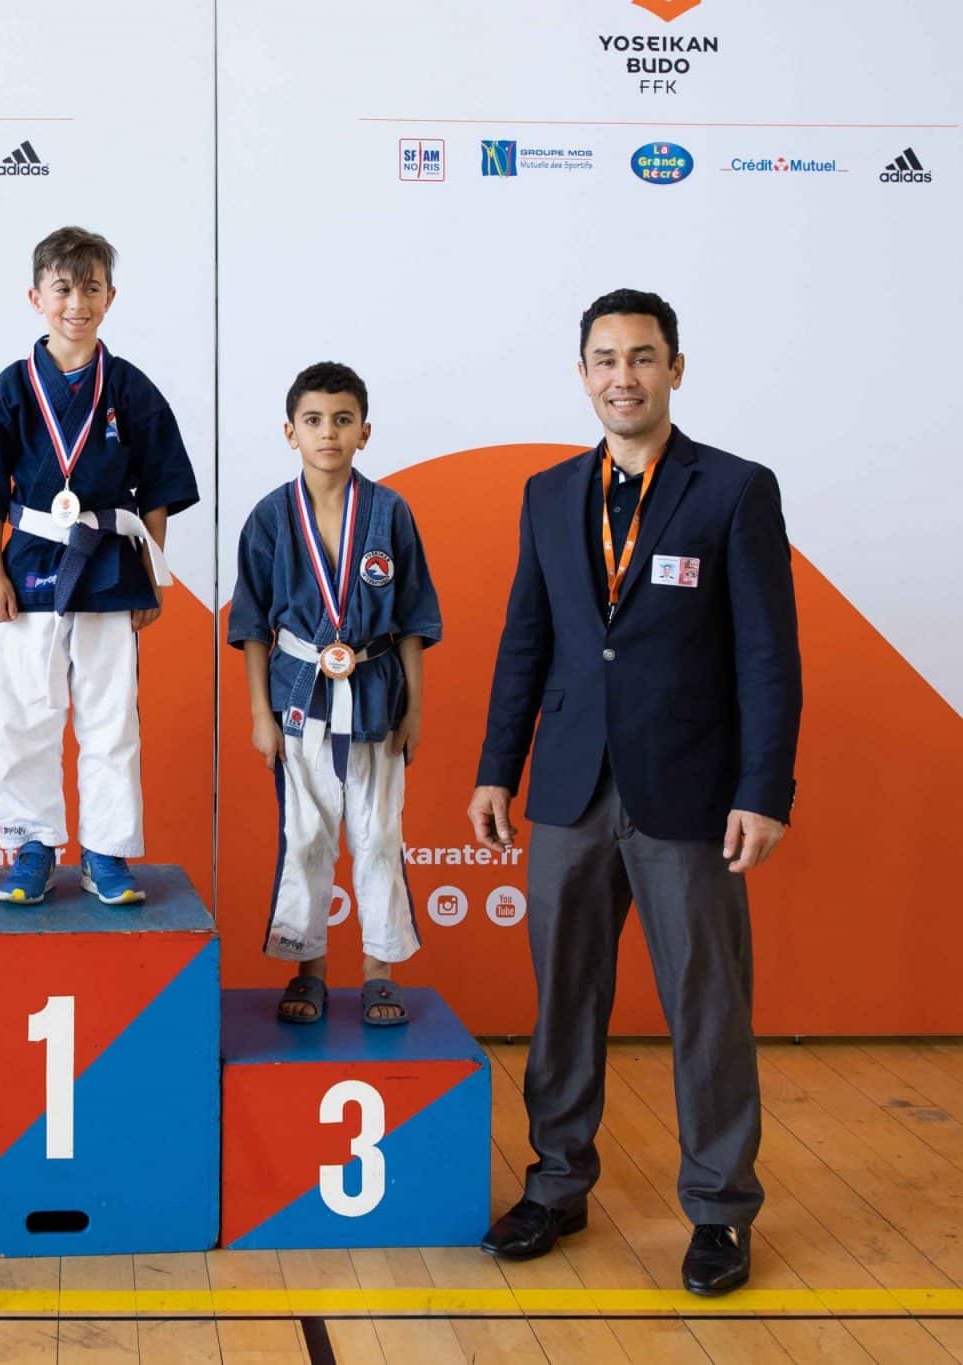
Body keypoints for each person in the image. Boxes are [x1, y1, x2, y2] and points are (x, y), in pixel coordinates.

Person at [469, 289, 801, 1296]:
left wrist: (763, 789)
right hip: (570, 788)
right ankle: (556, 1184)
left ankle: (720, 1209)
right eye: (606, 359)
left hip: (690, 793)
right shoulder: (545, 493)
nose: (624, 376)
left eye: (643, 357)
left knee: (706, 1003)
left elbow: (767, 654)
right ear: (582, 375)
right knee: (564, 997)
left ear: (674, 369)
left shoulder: (734, 489)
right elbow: (525, 638)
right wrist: (497, 766)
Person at [0, 225, 200, 906]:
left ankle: (106, 851)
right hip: (28, 565)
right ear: (36, 297)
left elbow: (160, 490)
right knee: (24, 713)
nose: (76, 303)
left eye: (91, 288)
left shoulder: (131, 388)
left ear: (110, 297)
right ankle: (32, 846)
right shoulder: (12, 388)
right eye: (62, 289)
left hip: (111, 567)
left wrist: (153, 574)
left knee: (111, 718)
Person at [227, 363, 439, 1025]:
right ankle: (308, 967)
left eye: (343, 420)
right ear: (290, 432)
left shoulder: (390, 512)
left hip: (377, 694)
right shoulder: (270, 517)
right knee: (306, 836)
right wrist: (260, 715)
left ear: (364, 432)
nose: (329, 433)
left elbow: (413, 618)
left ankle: (379, 970)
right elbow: (252, 625)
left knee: (379, 835)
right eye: (314, 420)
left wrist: (415, 707)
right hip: (298, 696)